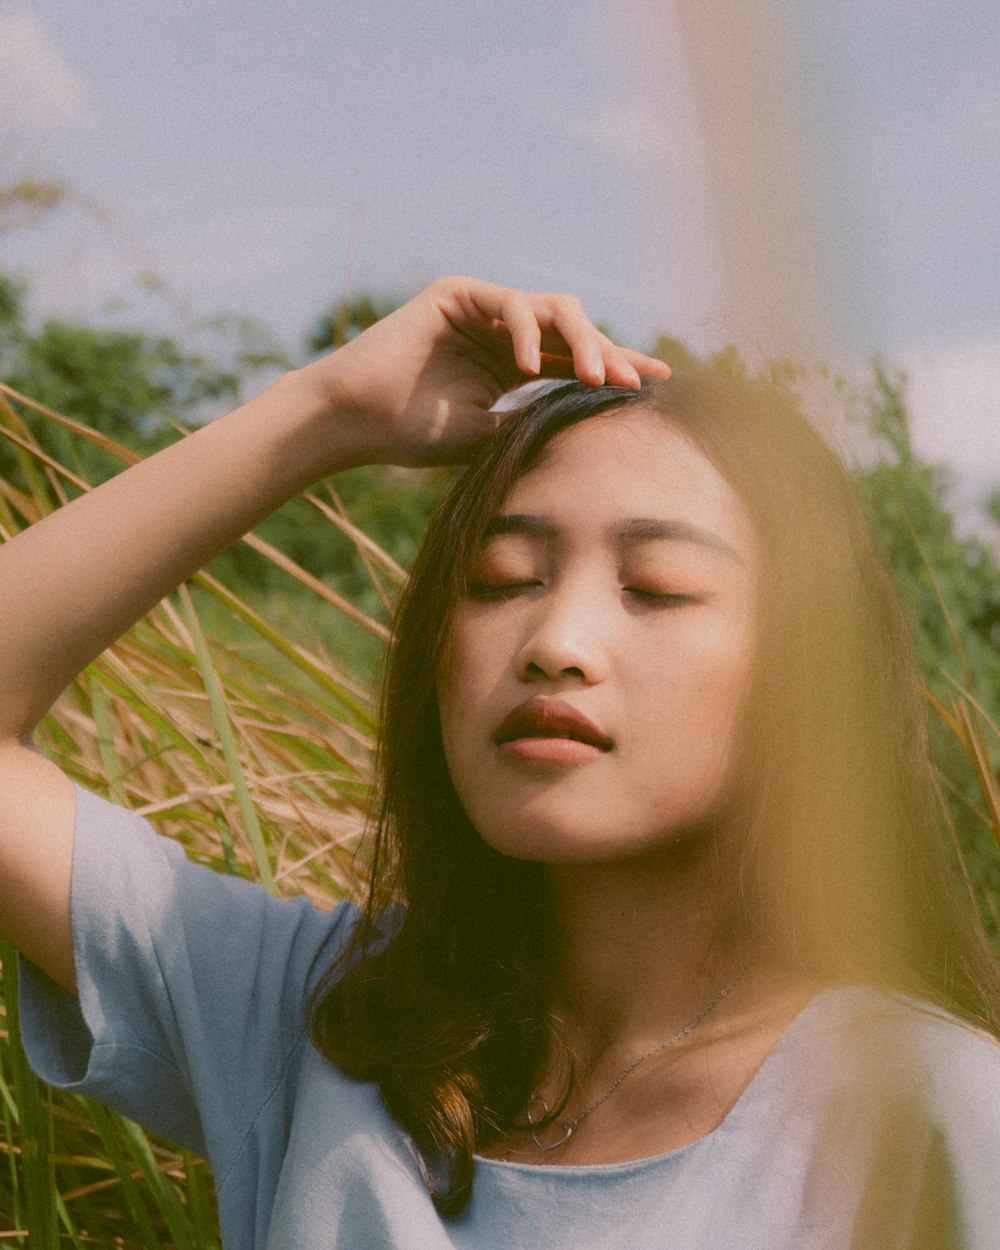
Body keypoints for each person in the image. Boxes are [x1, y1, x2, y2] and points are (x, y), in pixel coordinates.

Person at [1, 275, 999, 1249]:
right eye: (499, 578)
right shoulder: (321, 1023)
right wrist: (326, 409)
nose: (554, 639)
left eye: (655, 586)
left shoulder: (931, 1114)